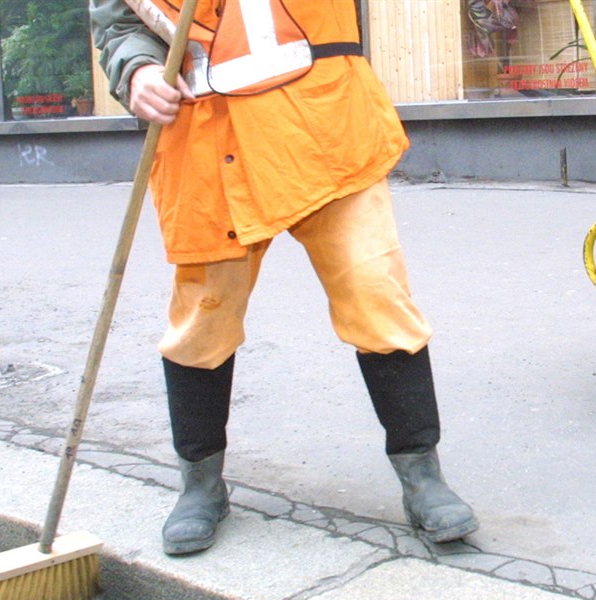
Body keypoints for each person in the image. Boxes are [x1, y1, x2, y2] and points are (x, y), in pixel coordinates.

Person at [90, 0, 479, 556]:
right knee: (202, 322)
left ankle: (423, 477)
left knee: (375, 291)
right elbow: (122, 23)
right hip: (211, 145)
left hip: (326, 131)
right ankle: (200, 485)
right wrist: (139, 70)